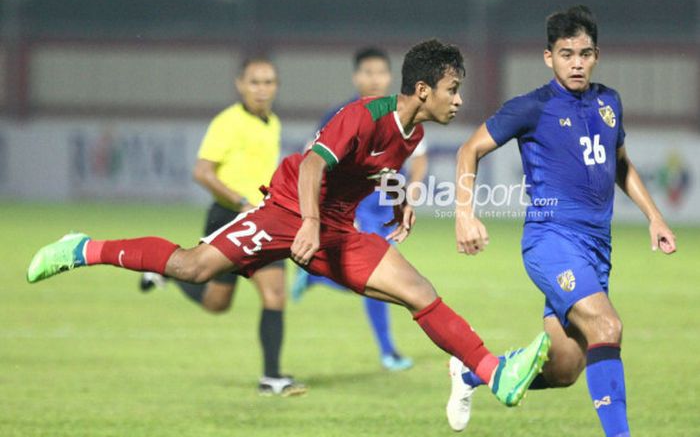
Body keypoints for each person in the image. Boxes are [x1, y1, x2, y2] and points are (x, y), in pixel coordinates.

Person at [27, 39, 551, 410]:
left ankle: (492, 373)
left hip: (339, 230)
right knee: (192, 267)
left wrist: (398, 204)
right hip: (285, 211)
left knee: (420, 291)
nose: (459, 100)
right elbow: (314, 164)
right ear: (422, 88)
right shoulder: (362, 115)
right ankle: (84, 248)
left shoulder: (411, 134)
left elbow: (381, 171)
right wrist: (304, 222)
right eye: (453, 89)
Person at [446, 6, 676, 436]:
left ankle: (472, 372)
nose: (576, 62)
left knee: (567, 366)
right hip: (551, 240)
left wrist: (655, 217)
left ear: (596, 55)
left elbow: (619, 164)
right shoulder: (532, 107)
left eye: (585, 53)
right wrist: (464, 213)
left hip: (595, 248)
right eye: (567, 53)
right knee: (608, 325)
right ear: (548, 57)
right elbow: (468, 150)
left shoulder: (609, 102)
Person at [143, 57, 306, 396]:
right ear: (240, 84)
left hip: (263, 221)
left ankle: (271, 377)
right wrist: (240, 200)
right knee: (217, 303)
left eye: (269, 82)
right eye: (255, 82)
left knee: (275, 293)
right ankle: (167, 271)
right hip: (229, 217)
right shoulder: (227, 122)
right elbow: (202, 172)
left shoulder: (272, 122)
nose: (262, 89)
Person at [292, 47, 428, 371]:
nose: (374, 79)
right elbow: (309, 158)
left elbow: (419, 156)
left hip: (387, 207)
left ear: (389, 76)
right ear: (356, 77)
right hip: (356, 208)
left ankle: (317, 280)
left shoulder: (402, 110)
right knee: (377, 273)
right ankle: (388, 351)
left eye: (380, 72)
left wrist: (413, 190)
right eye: (367, 73)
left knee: (374, 277)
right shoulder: (341, 113)